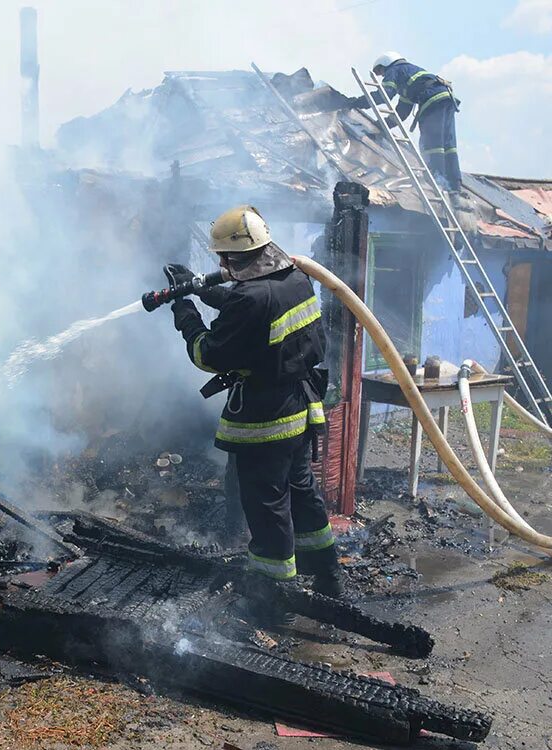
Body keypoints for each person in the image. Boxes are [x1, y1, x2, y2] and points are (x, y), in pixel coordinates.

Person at [167, 206, 344, 600]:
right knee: (302, 491)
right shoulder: (294, 279)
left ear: (234, 257)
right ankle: (327, 574)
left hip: (267, 417)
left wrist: (184, 311)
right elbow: (249, 310)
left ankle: (273, 593)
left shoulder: (250, 298)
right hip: (301, 405)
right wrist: (198, 288)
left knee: (267, 504)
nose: (219, 263)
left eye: (222, 257)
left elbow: (208, 354)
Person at [355, 52, 462, 194]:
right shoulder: (410, 78)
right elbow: (402, 113)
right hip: (446, 99)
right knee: (448, 145)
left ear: (386, 63)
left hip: (432, 100)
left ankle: (438, 181)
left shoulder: (395, 69)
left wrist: (356, 102)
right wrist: (382, 125)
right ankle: (454, 185)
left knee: (431, 143)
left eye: (381, 71)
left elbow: (385, 94)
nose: (382, 76)